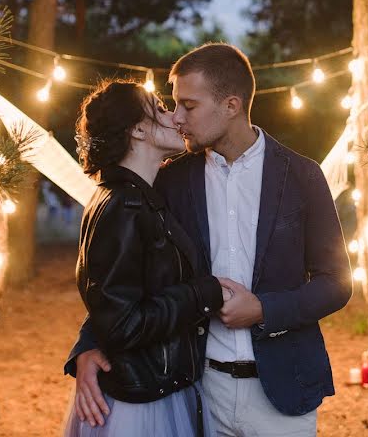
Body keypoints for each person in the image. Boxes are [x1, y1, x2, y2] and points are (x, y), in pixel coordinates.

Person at [65, 44, 353, 436]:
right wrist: (87, 346)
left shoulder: (302, 177)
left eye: (189, 106)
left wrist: (264, 310)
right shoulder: (170, 181)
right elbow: (123, 273)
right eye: (173, 105)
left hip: (284, 390)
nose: (177, 117)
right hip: (200, 390)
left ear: (231, 105)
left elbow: (336, 283)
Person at [63, 80, 228, 437]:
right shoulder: (124, 205)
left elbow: (116, 296)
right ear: (138, 129)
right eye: (159, 107)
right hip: (141, 401)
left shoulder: (141, 197)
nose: (174, 116)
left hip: (159, 382)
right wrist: (204, 294)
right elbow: (122, 323)